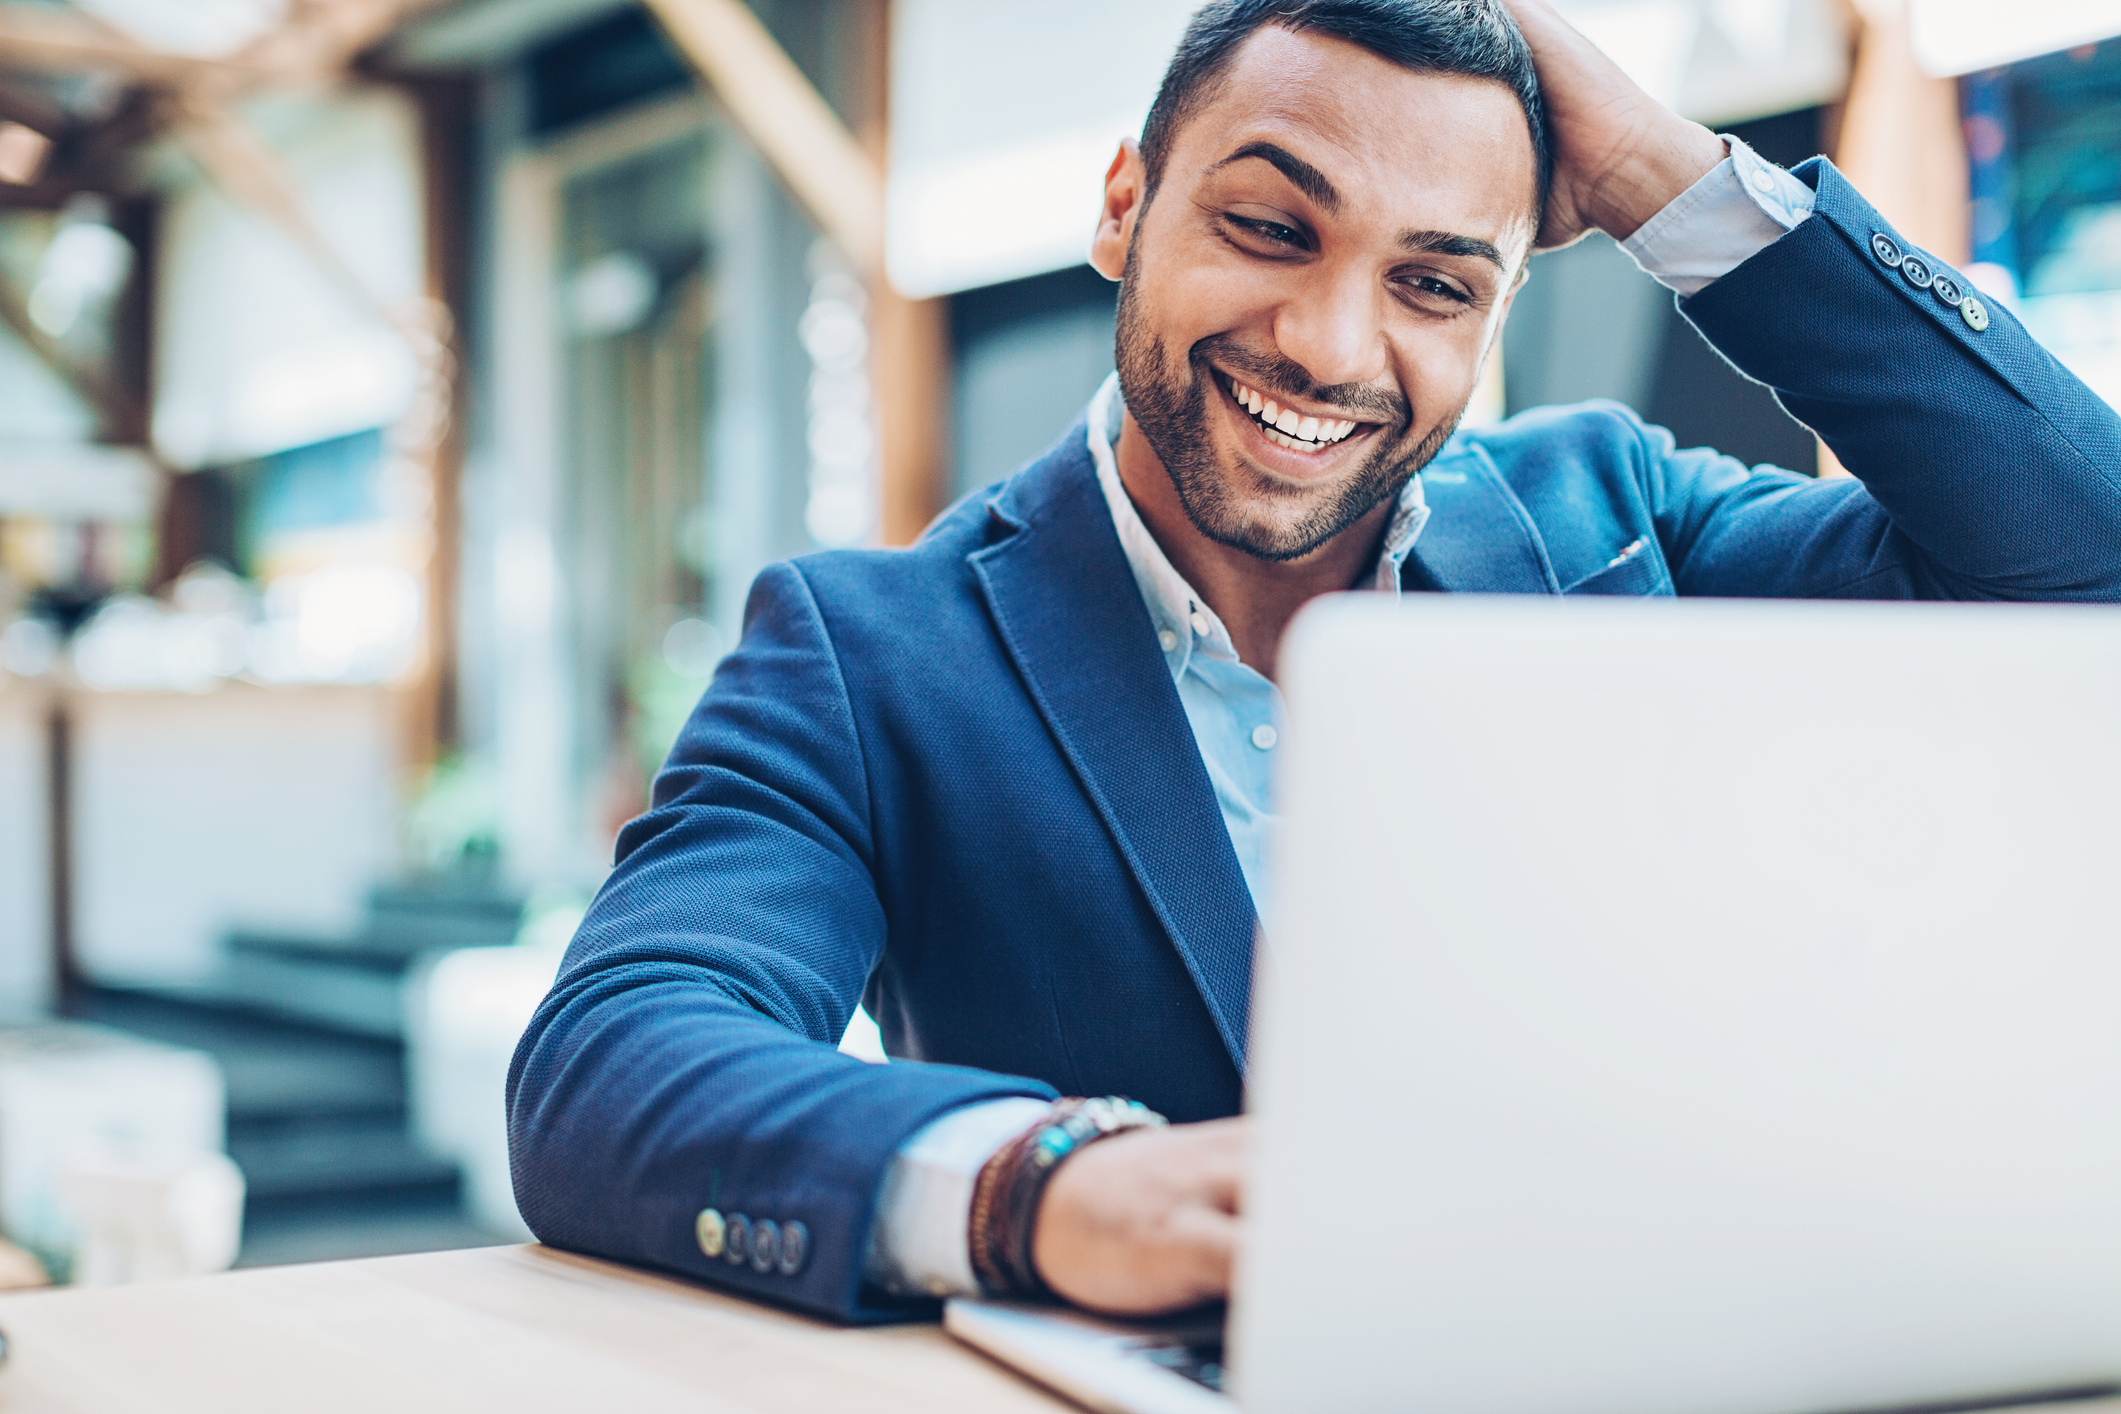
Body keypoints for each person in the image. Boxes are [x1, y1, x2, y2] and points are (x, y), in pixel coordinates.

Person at [507, 0, 2121, 1324]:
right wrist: (1032, 1188)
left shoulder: (1616, 517)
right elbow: (612, 1057)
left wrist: (1659, 175)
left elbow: (2082, 555)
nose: (1332, 346)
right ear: (1125, 204)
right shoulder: (869, 651)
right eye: (1269, 226)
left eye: (1433, 281)